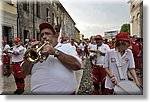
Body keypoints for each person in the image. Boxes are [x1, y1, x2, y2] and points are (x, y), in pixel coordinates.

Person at [22, 22, 81, 95]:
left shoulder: (67, 47)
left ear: (56, 36)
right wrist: (31, 55)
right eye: (42, 35)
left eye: (47, 34)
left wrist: (55, 52)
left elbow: (77, 65)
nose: (44, 37)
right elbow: (23, 73)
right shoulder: (36, 50)